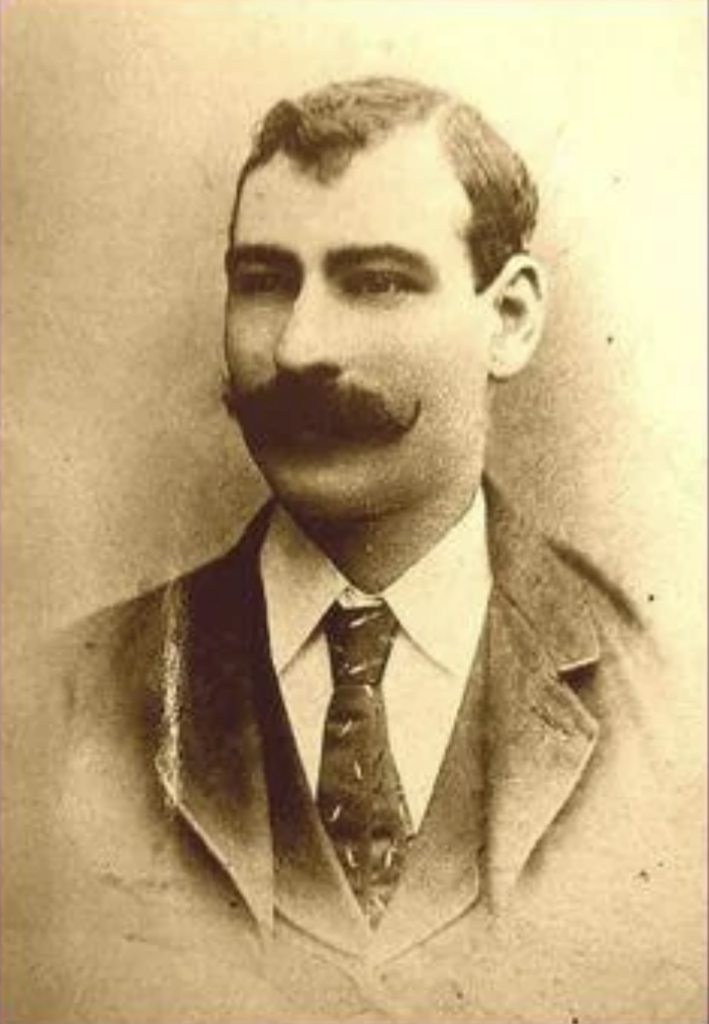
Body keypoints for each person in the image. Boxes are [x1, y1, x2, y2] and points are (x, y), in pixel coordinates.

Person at [32, 77, 703, 1021]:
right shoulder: (55, 708)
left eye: (377, 280)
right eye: (263, 281)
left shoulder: (674, 707)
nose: (300, 346)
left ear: (508, 319)